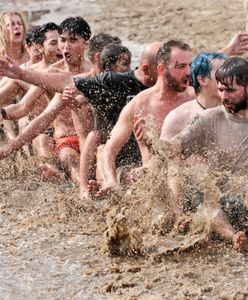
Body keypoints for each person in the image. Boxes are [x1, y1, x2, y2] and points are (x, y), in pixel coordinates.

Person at [152, 56, 248, 252]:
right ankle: (234, 237)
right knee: (208, 203)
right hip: (220, 201)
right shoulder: (208, 118)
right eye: (220, 90)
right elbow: (174, 149)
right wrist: (151, 141)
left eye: (230, 90)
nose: (223, 97)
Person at [88, 40, 192, 197]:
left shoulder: (193, 99)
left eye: (190, 65)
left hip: (187, 178)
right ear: (161, 69)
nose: (188, 72)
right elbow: (109, 150)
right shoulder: (140, 104)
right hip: (154, 184)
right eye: (181, 67)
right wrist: (111, 181)